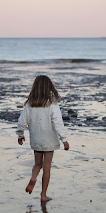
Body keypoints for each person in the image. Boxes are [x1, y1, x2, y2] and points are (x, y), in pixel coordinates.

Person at [16, 75, 69, 203]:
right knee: (47, 168)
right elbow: (58, 122)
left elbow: (22, 121)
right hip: (49, 140)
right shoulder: (52, 103)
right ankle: (43, 195)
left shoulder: (30, 103)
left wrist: (20, 134)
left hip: (36, 140)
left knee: (37, 164)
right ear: (49, 87)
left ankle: (33, 177)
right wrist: (64, 139)